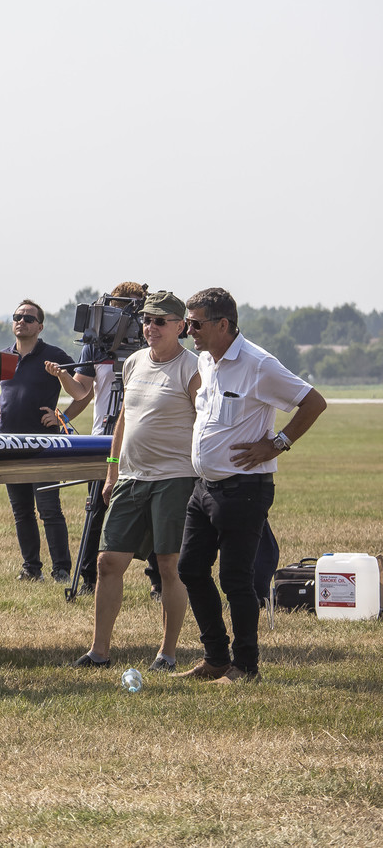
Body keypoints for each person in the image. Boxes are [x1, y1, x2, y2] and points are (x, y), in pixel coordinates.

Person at [173, 287, 327, 684]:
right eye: (188, 323)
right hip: (205, 487)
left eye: (195, 324)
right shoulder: (206, 360)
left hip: (244, 489)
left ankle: (245, 667)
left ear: (223, 324)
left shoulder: (259, 364)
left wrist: (277, 444)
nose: (189, 331)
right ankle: (215, 659)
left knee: (235, 580)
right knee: (190, 569)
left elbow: (313, 402)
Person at [69, 291, 199, 672]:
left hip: (175, 478)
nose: (150, 327)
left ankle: (167, 654)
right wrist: (112, 470)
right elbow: (123, 418)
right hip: (130, 477)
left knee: (169, 566)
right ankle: (99, 652)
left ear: (180, 326)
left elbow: (206, 421)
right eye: (146, 320)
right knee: (107, 561)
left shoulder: (192, 369)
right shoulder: (135, 362)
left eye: (160, 321)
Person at [0, 299, 89, 583]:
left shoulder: (54, 356)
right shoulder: (4, 357)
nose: (22, 321)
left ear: (40, 327)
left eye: (29, 318)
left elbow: (82, 393)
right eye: (17, 316)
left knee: (49, 510)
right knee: (22, 512)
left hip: (43, 446)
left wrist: (62, 416)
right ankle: (31, 568)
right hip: (9, 445)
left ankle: (61, 570)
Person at [62, 281, 150, 595]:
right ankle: (88, 577)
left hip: (143, 439)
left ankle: (158, 580)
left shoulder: (150, 346)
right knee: (98, 508)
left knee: (151, 510)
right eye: (120, 308)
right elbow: (81, 391)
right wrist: (62, 375)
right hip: (104, 438)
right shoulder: (95, 346)